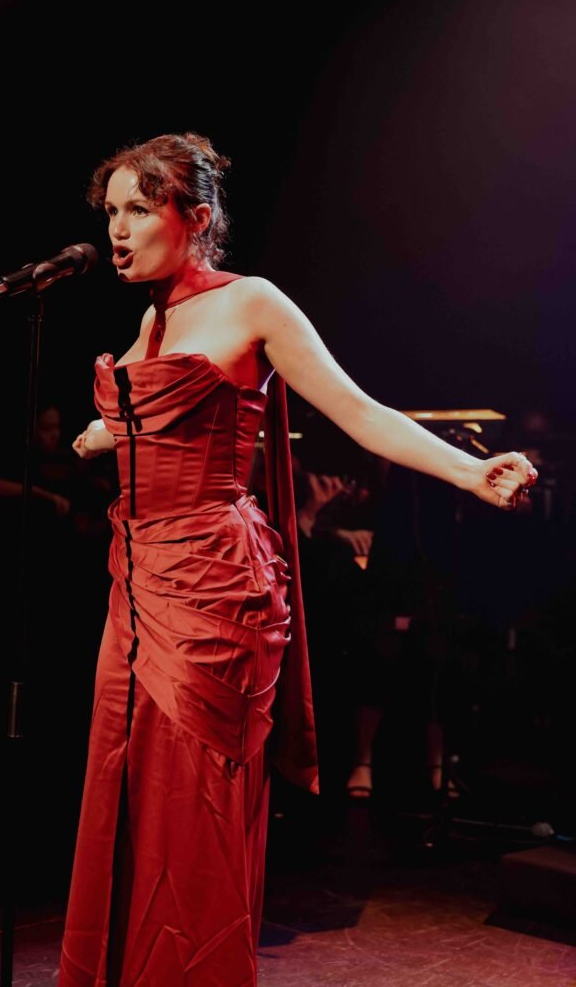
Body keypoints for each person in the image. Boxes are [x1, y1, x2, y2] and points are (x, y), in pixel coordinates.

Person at [57, 132, 537, 987]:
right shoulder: (150, 318)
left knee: (191, 799)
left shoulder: (253, 303)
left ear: (193, 217)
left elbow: (359, 412)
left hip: (211, 582)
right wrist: (103, 434)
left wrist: (469, 472)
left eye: (137, 210)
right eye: (111, 213)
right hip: (135, 579)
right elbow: (157, 420)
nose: (117, 231)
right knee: (130, 786)